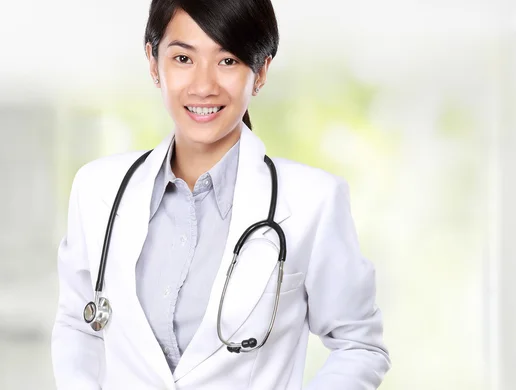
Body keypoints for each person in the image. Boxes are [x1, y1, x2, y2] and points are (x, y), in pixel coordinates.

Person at [51, 0, 390, 388]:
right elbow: (78, 325)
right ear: (152, 61)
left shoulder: (314, 200)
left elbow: (359, 345)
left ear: (260, 71)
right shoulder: (97, 189)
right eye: (183, 58)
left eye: (227, 60)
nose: (204, 86)